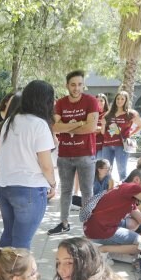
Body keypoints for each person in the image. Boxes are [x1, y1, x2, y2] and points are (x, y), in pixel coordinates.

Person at [0, 80, 56, 249]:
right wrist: (53, 183)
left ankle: (1, 273)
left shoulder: (9, 121)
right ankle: (19, 275)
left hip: (4, 185)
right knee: (22, 242)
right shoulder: (39, 124)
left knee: (8, 234)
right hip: (29, 188)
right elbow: (46, 165)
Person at [48, 70, 100, 236]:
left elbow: (91, 128)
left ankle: (88, 226)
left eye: (79, 84)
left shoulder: (91, 101)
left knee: (87, 192)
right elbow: (55, 127)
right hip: (64, 155)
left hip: (85, 154)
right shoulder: (60, 103)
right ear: (67, 85)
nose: (77, 88)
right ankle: (63, 223)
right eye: (73, 84)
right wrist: (80, 123)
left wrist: (67, 125)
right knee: (65, 191)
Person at [101, 91, 141, 181]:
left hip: (121, 145)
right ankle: (107, 191)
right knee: (105, 170)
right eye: (118, 98)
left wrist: (130, 133)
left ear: (126, 101)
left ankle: (124, 191)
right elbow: (103, 132)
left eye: (122, 99)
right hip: (107, 145)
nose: (119, 101)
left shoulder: (130, 114)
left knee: (122, 170)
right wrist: (103, 124)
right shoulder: (108, 114)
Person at [95, 93, 109, 160]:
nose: (99, 102)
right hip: (92, 144)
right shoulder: (91, 114)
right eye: (97, 101)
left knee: (100, 164)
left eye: (101, 100)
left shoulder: (109, 114)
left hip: (104, 145)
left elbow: (114, 130)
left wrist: (101, 129)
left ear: (105, 102)